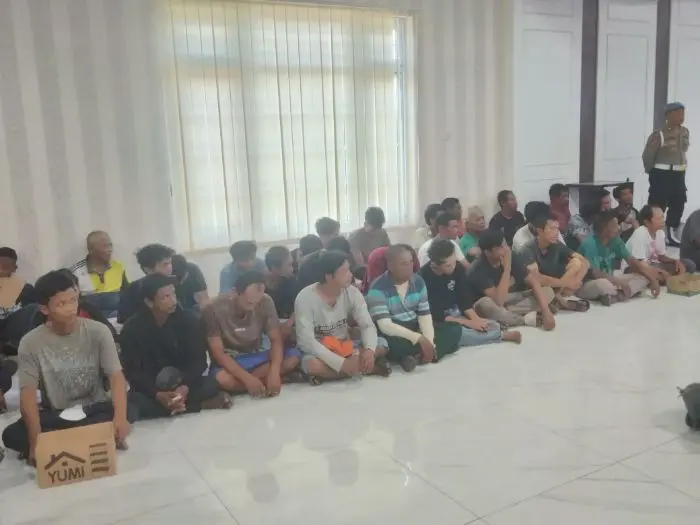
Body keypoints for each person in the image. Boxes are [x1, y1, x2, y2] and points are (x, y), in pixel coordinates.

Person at [1, 270, 133, 462]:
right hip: (58, 413)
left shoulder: (98, 331)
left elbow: (116, 376)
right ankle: (95, 437)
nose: (71, 308)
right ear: (45, 309)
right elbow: (27, 394)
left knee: (130, 409)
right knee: (11, 435)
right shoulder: (30, 342)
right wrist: (35, 440)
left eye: (73, 300)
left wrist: (120, 418)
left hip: (94, 408)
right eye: (62, 304)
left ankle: (66, 440)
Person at [120, 273, 231, 419]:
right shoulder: (131, 329)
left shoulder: (189, 321)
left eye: (173, 294)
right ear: (149, 302)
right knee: (134, 403)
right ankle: (197, 406)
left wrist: (184, 387)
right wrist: (157, 394)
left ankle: (173, 407)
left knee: (211, 384)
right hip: (152, 388)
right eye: (165, 297)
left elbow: (199, 361)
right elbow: (132, 372)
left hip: (184, 383)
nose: (173, 300)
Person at [294, 250, 390, 383]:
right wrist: (340, 363)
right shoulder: (305, 298)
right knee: (311, 365)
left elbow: (367, 324)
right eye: (345, 272)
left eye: (349, 270)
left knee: (381, 344)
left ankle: (336, 373)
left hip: (345, 345)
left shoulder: (352, 292)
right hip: (321, 349)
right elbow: (306, 341)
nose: (351, 275)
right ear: (329, 276)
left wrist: (369, 350)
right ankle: (367, 369)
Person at [204, 271, 301, 397]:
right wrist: (247, 379)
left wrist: (274, 371)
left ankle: (248, 385)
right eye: (249, 302)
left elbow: (275, 339)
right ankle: (261, 381)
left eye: (257, 302)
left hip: (256, 355)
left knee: (293, 358)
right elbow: (218, 353)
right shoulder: (213, 308)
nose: (254, 307)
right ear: (235, 293)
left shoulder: (266, 301)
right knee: (223, 379)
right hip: (232, 359)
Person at [419, 240, 521, 349]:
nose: (453, 267)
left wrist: (476, 320)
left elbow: (465, 300)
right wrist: (468, 323)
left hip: (459, 314)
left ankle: (490, 333)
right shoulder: (423, 278)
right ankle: (501, 336)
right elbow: (436, 315)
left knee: (491, 325)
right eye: (448, 265)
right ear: (436, 264)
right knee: (456, 333)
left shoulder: (458, 268)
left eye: (454, 262)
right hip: (441, 321)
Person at [468, 229, 556, 329]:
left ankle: (506, 316)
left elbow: (534, 282)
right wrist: (507, 269)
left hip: (509, 301)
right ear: (487, 252)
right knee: (485, 304)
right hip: (488, 304)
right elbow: (499, 301)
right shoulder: (478, 268)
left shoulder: (511, 255)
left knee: (548, 292)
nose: (506, 249)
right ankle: (524, 319)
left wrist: (546, 311)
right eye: (500, 247)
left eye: (505, 244)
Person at [577, 210, 660, 304]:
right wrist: (618, 282)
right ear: (606, 228)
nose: (619, 227)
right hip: (587, 284)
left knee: (643, 277)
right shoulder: (589, 244)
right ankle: (620, 293)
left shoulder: (616, 240)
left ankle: (616, 296)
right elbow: (595, 273)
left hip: (610, 279)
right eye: (616, 225)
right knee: (603, 284)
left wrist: (652, 279)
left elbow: (632, 261)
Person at [520, 214, 592, 312]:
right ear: (540, 231)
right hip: (534, 289)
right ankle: (558, 302)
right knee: (547, 292)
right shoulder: (528, 248)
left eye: (557, 229)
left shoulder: (556, 244)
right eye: (552, 229)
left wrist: (576, 281)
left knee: (577, 262)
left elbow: (585, 261)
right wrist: (568, 283)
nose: (556, 232)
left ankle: (557, 298)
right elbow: (537, 279)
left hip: (555, 286)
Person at [642, 101, 690, 246]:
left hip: (679, 173)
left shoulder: (684, 132)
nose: (681, 117)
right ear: (669, 116)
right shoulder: (660, 134)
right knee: (658, 204)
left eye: (683, 113)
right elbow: (647, 155)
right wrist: (651, 173)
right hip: (662, 174)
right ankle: (649, 234)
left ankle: (670, 232)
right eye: (678, 113)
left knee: (679, 202)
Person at [626, 205, 695, 282]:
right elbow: (640, 263)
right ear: (647, 222)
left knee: (689, 264)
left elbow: (661, 257)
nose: (663, 220)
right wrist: (659, 271)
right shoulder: (640, 233)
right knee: (658, 273)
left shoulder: (660, 233)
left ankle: (666, 278)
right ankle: (665, 278)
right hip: (638, 267)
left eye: (662, 217)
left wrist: (675, 261)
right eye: (658, 219)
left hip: (654, 264)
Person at [70, 231, 128, 318]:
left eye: (110, 245)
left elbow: (128, 295)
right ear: (91, 250)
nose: (110, 250)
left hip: (116, 318)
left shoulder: (118, 267)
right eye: (105, 246)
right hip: (89, 320)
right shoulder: (76, 272)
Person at [117, 243, 175, 324]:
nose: (170, 268)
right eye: (165, 264)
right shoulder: (134, 289)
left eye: (170, 263)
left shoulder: (176, 284)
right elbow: (123, 318)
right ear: (148, 269)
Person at [264, 246, 299, 342]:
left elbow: (299, 306)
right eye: (288, 265)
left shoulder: (292, 281)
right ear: (274, 268)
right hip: (269, 324)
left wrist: (289, 323)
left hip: (289, 322)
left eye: (292, 264)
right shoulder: (260, 283)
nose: (292, 269)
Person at [0, 247, 37, 324]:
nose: (1, 271)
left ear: (14, 268)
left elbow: (31, 317)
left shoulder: (26, 290)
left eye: (5, 267)